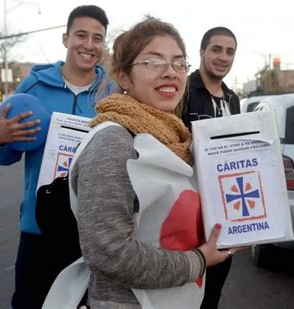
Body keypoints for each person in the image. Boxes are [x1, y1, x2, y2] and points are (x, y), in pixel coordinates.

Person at [70, 17, 236, 308]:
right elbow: (109, 255)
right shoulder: (114, 142)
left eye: (178, 63)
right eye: (153, 62)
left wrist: (237, 227)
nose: (170, 73)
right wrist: (198, 261)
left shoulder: (178, 140)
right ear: (123, 77)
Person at [0, 5, 114, 308]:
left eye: (97, 38)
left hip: (94, 230)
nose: (89, 45)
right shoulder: (33, 88)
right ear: (66, 38)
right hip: (38, 228)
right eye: (81, 35)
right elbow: (4, 156)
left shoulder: (113, 93)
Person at [182, 26, 240, 309]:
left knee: (213, 293)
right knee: (184, 294)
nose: (223, 57)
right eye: (216, 49)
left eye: (230, 51)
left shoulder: (233, 99)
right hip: (187, 212)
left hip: (225, 211)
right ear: (202, 52)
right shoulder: (184, 90)